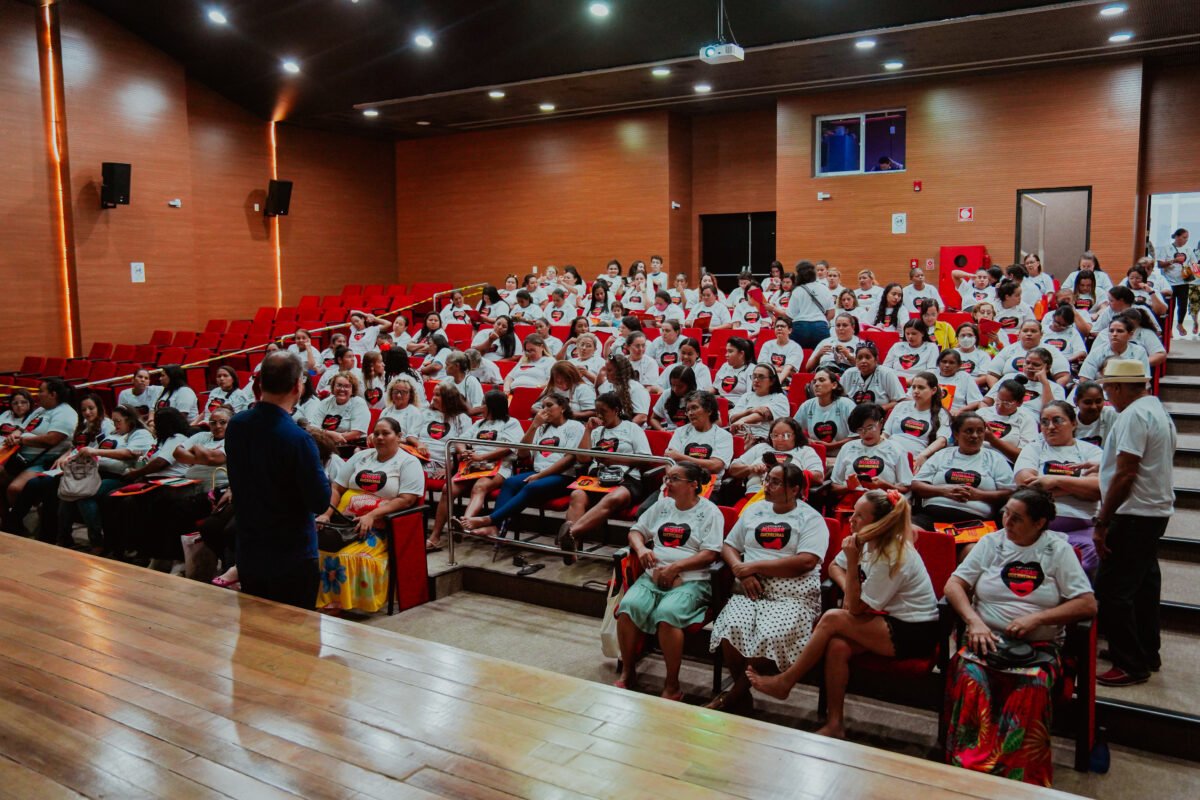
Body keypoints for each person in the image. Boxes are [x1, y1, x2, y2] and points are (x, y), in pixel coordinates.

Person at [746, 491, 940, 741]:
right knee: (837, 646)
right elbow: (834, 567)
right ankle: (835, 723)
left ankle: (786, 681)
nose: (852, 519)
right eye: (853, 512)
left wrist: (852, 563)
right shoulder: (866, 539)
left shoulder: (893, 554)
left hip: (914, 631)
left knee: (832, 618)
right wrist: (851, 583)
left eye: (860, 516)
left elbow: (855, 609)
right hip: (888, 619)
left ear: (880, 522)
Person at [943, 487, 1096, 786]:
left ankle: (1015, 773)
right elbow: (953, 585)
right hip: (986, 638)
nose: (1007, 523)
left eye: (1017, 519)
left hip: (1038, 645)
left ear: (1040, 523)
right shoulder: (991, 542)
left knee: (1032, 685)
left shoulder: (1058, 550)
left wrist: (1037, 618)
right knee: (968, 673)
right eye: (1005, 514)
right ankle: (967, 765)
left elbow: (1087, 603)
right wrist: (974, 622)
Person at [707, 463, 830, 712]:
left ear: (794, 489)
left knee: (770, 634)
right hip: (750, 586)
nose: (767, 486)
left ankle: (732, 697)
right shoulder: (755, 511)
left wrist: (754, 567)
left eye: (775, 482)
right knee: (731, 628)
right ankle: (741, 697)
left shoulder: (811, 519)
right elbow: (729, 546)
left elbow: (806, 561)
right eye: (767, 480)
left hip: (792, 592)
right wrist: (739, 569)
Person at [225, 352, 332, 608]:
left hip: (250, 547)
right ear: (298, 386)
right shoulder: (298, 439)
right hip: (290, 555)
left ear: (260, 384)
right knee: (296, 638)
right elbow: (320, 501)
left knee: (255, 630)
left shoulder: (236, 425)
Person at [1094, 360, 1176, 686]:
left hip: (1134, 512)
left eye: (1108, 389)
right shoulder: (1156, 409)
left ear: (1117, 387)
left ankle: (1130, 662)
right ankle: (1145, 650)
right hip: (1152, 511)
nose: (1107, 395)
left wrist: (1103, 520)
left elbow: (1126, 472)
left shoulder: (1132, 415)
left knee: (1113, 590)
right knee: (1143, 586)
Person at [614, 462, 724, 700]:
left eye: (674, 479)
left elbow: (710, 553)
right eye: (667, 479)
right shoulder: (662, 505)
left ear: (693, 485)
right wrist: (642, 549)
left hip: (691, 579)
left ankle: (672, 685)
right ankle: (628, 671)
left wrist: (675, 568)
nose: (668, 484)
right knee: (628, 607)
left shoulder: (710, 512)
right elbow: (635, 531)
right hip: (653, 574)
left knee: (667, 614)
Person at [314, 417, 424, 613]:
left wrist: (372, 515)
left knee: (344, 557)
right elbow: (337, 488)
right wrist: (326, 514)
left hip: (380, 528)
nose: (380, 438)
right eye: (377, 433)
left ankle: (338, 604)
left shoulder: (408, 462)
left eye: (386, 433)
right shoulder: (361, 457)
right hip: (343, 522)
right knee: (312, 548)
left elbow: (407, 499)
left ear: (399, 437)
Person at [457, 393, 583, 539]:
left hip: (564, 476)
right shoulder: (542, 428)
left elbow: (568, 459)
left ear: (562, 408)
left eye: (549, 405)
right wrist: (534, 426)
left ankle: (489, 520)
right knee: (510, 482)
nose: (545, 410)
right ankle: (494, 528)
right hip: (538, 472)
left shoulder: (574, 426)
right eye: (542, 407)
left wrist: (539, 476)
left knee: (531, 486)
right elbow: (523, 454)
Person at [558, 392, 651, 563]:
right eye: (597, 411)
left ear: (616, 410)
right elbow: (583, 459)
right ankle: (571, 551)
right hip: (598, 477)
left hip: (626, 478)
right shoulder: (596, 431)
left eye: (603, 411)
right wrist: (587, 430)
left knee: (614, 498)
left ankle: (571, 534)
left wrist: (614, 459)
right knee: (576, 495)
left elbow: (646, 459)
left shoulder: (632, 429)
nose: (599, 415)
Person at [1014, 400, 1103, 575]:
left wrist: (1053, 481)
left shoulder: (1091, 451)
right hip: (1035, 528)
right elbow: (1026, 485)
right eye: (1045, 422)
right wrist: (1077, 487)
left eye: (1057, 420)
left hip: (1081, 527)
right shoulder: (1033, 449)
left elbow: (1095, 490)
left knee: (1084, 566)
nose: (1050, 427)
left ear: (1073, 423)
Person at [429, 390, 523, 550]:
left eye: (484, 404)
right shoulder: (479, 424)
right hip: (473, 466)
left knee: (480, 487)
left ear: (493, 406)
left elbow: (510, 448)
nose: (481, 407)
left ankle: (465, 523)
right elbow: (459, 441)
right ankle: (435, 536)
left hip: (498, 466)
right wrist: (462, 451)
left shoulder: (511, 423)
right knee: (447, 489)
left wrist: (483, 456)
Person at [911, 412, 1015, 531]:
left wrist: (980, 495)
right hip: (932, 515)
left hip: (975, 521)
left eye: (980, 431)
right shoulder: (942, 454)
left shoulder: (995, 458)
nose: (975, 436)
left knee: (971, 549)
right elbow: (917, 484)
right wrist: (944, 490)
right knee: (910, 533)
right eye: (969, 431)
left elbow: (1009, 493)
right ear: (956, 434)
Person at [1, 378, 78, 527]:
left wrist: (22, 440)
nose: (38, 394)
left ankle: (14, 524)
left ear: (53, 394)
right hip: (19, 456)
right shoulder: (40, 409)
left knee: (14, 489)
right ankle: (6, 520)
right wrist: (14, 435)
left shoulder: (66, 413)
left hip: (44, 460)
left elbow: (52, 439)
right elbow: (23, 428)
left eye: (41, 391)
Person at [728, 417, 824, 501]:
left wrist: (787, 474)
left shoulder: (804, 451)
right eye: (775, 435)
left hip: (787, 501)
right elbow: (733, 469)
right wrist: (750, 468)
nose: (779, 439)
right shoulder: (760, 447)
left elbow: (818, 477)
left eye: (786, 435)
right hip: (754, 497)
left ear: (796, 436)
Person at [831, 403, 914, 497]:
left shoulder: (896, 449)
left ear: (881, 423)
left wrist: (884, 485)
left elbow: (906, 488)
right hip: (854, 501)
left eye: (870, 427)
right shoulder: (848, 447)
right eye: (860, 429)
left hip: (884, 501)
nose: (866, 433)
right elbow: (834, 486)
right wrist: (849, 487)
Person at [404, 382, 473, 480]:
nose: (434, 398)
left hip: (441, 463)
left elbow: (462, 449)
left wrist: (450, 469)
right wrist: (419, 444)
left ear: (449, 398)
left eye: (438, 395)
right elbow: (411, 436)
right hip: (418, 457)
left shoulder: (462, 419)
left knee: (408, 473)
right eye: (433, 394)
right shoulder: (424, 413)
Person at [883, 371, 950, 470]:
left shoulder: (942, 413)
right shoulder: (901, 406)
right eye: (913, 387)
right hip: (889, 453)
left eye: (921, 388)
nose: (916, 391)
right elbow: (885, 434)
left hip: (916, 459)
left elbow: (942, 441)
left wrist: (923, 455)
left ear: (934, 390)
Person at [663, 390, 734, 481]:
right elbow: (669, 461)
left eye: (694, 408)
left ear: (709, 410)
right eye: (687, 410)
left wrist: (681, 457)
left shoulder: (723, 436)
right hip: (678, 482)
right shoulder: (680, 432)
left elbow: (715, 466)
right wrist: (672, 478)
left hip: (707, 486)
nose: (690, 413)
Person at [792, 366, 855, 449]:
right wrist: (806, 440)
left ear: (834, 385)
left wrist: (831, 446)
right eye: (814, 382)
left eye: (821, 380)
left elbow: (858, 436)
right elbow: (792, 431)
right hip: (816, 455)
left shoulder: (847, 404)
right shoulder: (807, 405)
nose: (816, 384)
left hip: (845, 454)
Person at [978, 379, 1039, 462]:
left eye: (1007, 404)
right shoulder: (982, 413)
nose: (1000, 406)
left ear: (1019, 403)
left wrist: (994, 440)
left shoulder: (1026, 420)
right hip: (978, 457)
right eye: (998, 400)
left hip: (1005, 462)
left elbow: (1025, 456)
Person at [728, 364, 789, 443]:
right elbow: (733, 419)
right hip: (740, 436)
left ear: (772, 381)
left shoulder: (779, 398)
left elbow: (764, 414)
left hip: (763, 439)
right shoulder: (746, 396)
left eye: (761, 377)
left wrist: (742, 420)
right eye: (754, 376)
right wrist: (750, 411)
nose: (756, 380)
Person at [308, 372, 371, 446]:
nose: (342, 389)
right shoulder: (325, 402)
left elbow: (356, 434)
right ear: (333, 387)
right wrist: (328, 433)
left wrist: (332, 437)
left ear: (352, 390)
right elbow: (312, 428)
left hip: (351, 446)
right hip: (326, 445)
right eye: (339, 385)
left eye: (347, 386)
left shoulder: (359, 403)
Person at [840, 342, 905, 411]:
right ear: (855, 360)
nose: (863, 361)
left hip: (878, 417)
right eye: (859, 358)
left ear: (876, 359)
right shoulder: (848, 373)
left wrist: (878, 410)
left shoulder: (887, 373)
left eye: (868, 357)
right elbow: (838, 399)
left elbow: (899, 401)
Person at [785, 260, 835, 348]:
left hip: (800, 328)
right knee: (822, 356)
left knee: (797, 355)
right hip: (820, 327)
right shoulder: (824, 288)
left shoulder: (797, 291)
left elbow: (791, 315)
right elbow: (831, 313)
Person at [1156, 228, 1195, 337]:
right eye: (1184, 237)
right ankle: (1168, 328)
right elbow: (1159, 265)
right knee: (1170, 307)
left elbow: (1194, 264)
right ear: (1177, 237)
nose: (1186, 240)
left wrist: (1193, 269)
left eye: (1187, 238)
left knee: (1182, 305)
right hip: (1169, 283)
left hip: (1183, 282)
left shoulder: (1188, 249)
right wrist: (1174, 261)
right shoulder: (1166, 249)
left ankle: (1180, 324)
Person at [935, 349, 984, 415]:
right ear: (938, 363)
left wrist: (960, 410)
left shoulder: (965, 377)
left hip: (955, 414)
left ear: (959, 365)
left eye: (951, 363)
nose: (947, 365)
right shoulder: (931, 375)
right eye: (944, 362)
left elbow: (976, 401)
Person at [650, 365, 697, 431]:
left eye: (680, 386)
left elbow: (714, 421)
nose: (675, 389)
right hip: (669, 434)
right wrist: (661, 429)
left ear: (690, 385)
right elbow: (654, 418)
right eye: (672, 385)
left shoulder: (699, 397)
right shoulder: (667, 394)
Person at [1074, 380, 1117, 447]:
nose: (1094, 407)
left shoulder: (1113, 415)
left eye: (1098, 401)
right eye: (1088, 402)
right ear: (1076, 401)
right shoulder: (1069, 419)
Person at [713, 337, 755, 402]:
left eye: (730, 351)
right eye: (726, 351)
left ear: (741, 354)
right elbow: (714, 388)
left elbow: (750, 396)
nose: (726, 355)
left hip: (738, 406)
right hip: (720, 403)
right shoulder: (725, 366)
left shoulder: (752, 369)